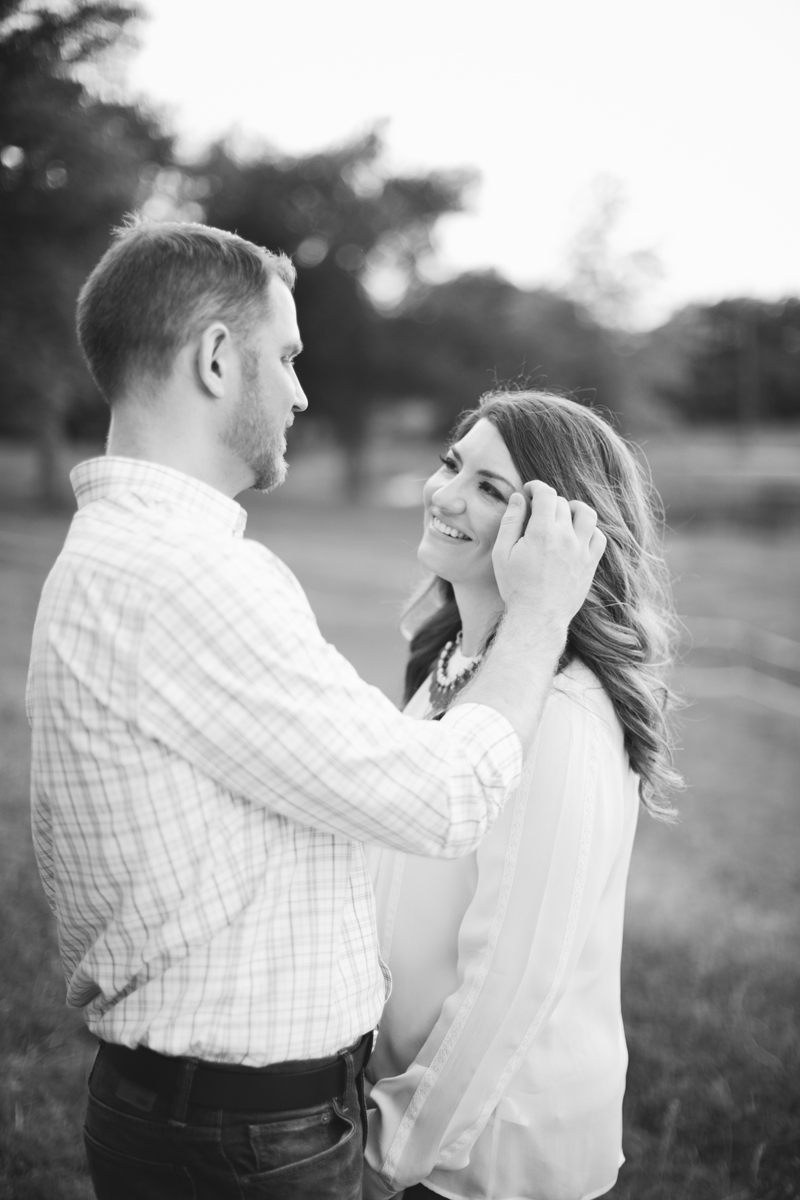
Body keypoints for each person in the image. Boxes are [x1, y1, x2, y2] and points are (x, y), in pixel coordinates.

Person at [26, 220, 606, 1200]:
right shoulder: (192, 577)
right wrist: (541, 611)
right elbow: (441, 798)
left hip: (197, 1118)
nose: (299, 391)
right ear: (217, 358)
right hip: (241, 1138)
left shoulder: (121, 554)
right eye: (285, 358)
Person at [363, 391, 682, 1200]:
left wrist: (396, 1145)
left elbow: (512, 976)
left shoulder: (566, 716)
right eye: (452, 464)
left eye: (493, 490)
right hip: (400, 1104)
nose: (446, 495)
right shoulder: (455, 666)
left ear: (563, 537)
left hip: (483, 1157)